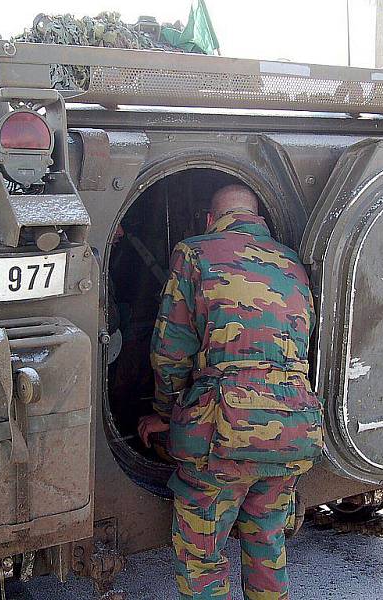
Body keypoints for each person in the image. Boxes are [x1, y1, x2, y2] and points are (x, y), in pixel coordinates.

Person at [138, 184, 323, 599]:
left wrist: (165, 415)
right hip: (292, 431)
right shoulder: (293, 264)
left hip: (223, 434)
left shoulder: (194, 253)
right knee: (267, 550)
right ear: (258, 219)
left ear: (210, 219)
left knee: (202, 559)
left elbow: (171, 349)